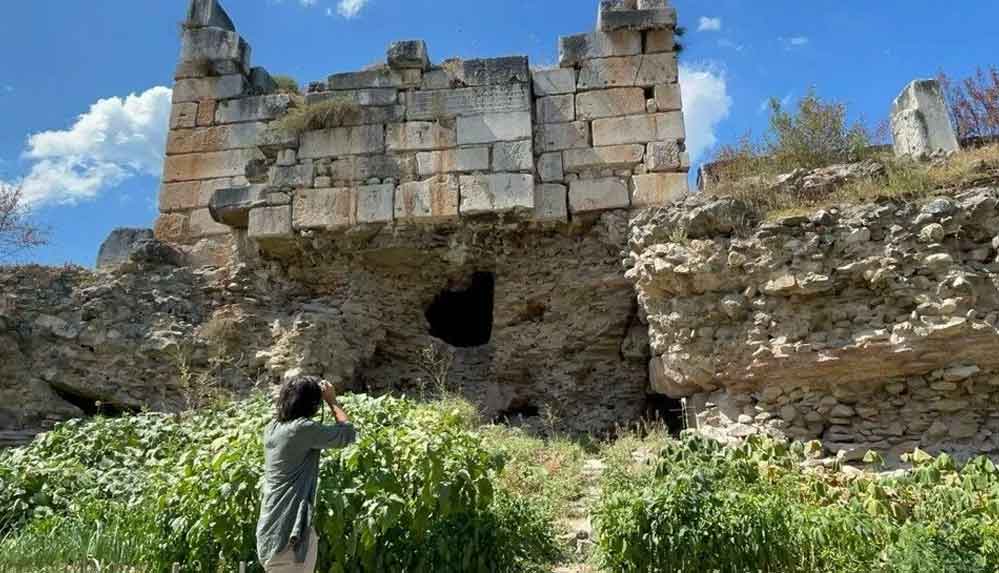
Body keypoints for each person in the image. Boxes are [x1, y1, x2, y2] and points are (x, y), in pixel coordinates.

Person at [256, 376, 357, 572]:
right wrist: (331, 401)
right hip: (288, 538)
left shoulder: (272, 428)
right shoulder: (301, 429)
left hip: (269, 532)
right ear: (312, 404)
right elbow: (348, 434)